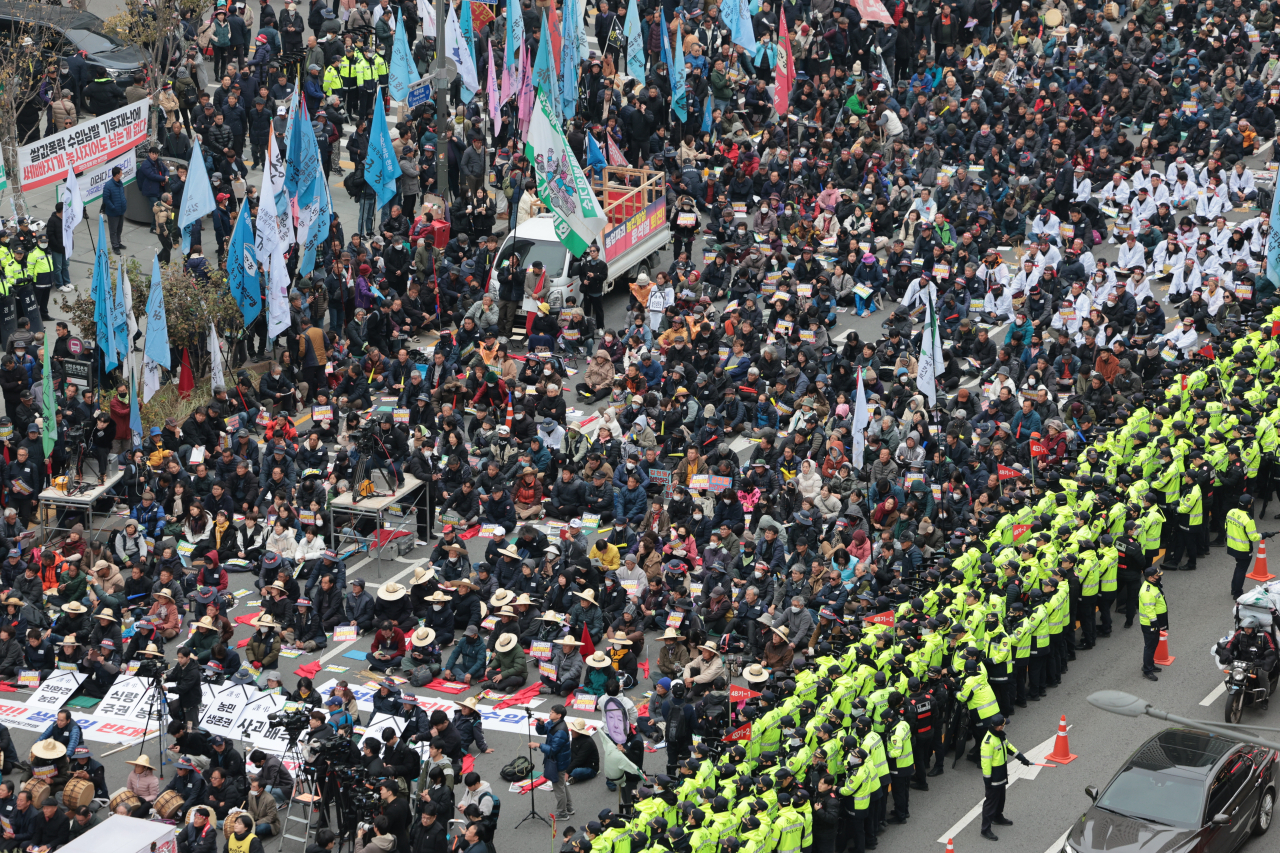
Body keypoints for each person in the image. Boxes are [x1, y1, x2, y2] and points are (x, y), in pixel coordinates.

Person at [978, 715, 1031, 840]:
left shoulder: (999, 735)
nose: (1005, 726)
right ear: (999, 726)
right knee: (991, 802)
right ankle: (985, 829)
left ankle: (997, 817)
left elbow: (1008, 746)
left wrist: (1021, 758)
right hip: (993, 776)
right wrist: (987, 780)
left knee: (1001, 798)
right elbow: (985, 763)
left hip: (1001, 772)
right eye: (1004, 724)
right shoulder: (988, 742)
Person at [531, 704, 572, 820]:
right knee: (562, 784)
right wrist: (541, 724)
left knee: (558, 787)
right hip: (559, 760)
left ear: (559, 715)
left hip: (558, 762)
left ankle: (562, 812)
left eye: (552, 712)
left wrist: (538, 745)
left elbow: (553, 750)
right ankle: (569, 807)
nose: (550, 713)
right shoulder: (554, 723)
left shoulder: (560, 731)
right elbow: (542, 731)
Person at [1138, 566, 1169, 682]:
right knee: (1150, 646)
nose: (1159, 577)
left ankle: (1150, 663)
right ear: (1151, 578)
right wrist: (1155, 624)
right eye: (1157, 575)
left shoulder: (1153, 586)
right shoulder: (1147, 592)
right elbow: (1149, 610)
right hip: (1150, 623)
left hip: (1156, 620)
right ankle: (1147, 670)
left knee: (1154, 644)